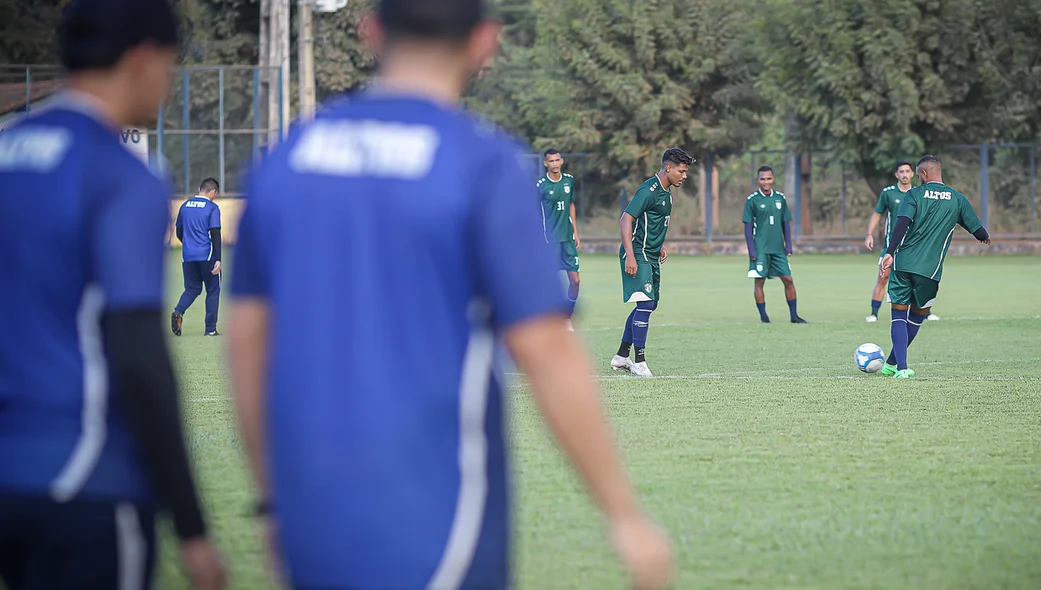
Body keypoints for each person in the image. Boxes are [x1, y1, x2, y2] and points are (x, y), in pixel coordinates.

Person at [226, 2, 673, 589]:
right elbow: (545, 349)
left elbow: (247, 346)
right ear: (486, 43)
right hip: (436, 516)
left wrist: (271, 505)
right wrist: (624, 516)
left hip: (311, 512)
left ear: (370, 31)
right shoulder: (484, 164)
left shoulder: (284, 162)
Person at [0, 0, 226, 588]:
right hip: (84, 480)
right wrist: (192, 525)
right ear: (143, 60)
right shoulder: (121, 174)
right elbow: (138, 356)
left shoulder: (8, 153)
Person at [878, 155, 990, 378]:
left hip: (904, 262)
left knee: (898, 314)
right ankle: (898, 366)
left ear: (924, 174)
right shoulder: (957, 199)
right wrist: (985, 237)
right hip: (930, 269)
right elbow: (978, 231)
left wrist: (890, 252)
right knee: (917, 317)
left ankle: (896, 365)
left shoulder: (914, 194)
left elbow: (902, 224)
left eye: (918, 175)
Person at [611, 148, 694, 378]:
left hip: (651, 253)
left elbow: (653, 224)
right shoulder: (649, 190)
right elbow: (626, 220)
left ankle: (621, 356)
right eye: (681, 170)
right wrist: (630, 255)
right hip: (638, 253)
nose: (684, 175)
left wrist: (660, 245)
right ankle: (639, 362)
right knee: (645, 305)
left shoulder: (667, 193)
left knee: (649, 304)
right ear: (668, 167)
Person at [865, 160, 938, 322]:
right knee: (883, 277)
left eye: (907, 171)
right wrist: (869, 233)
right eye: (901, 172)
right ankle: (873, 314)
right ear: (896, 174)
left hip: (914, 246)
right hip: (892, 245)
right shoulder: (888, 193)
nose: (904, 175)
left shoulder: (920, 192)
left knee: (920, 280)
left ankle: (926, 312)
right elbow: (878, 213)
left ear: (912, 174)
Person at [743, 165, 806, 324]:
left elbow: (786, 223)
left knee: (788, 279)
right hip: (761, 249)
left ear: (773, 179)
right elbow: (748, 227)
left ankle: (794, 316)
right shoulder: (752, 200)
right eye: (762, 179)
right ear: (758, 180)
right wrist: (752, 251)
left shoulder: (780, 198)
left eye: (768, 178)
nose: (766, 182)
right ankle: (764, 317)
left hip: (778, 248)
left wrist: (789, 246)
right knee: (760, 281)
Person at [171, 177, 223, 336]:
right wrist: (218, 259)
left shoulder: (185, 206)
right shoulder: (212, 207)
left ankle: (178, 311)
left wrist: (188, 244)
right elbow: (215, 233)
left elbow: (179, 231)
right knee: (213, 290)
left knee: (192, 288)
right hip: (207, 256)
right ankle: (210, 329)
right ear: (213, 191)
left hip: (187, 257)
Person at [537, 148, 580, 329]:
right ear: (546, 163)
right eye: (551, 161)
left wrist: (575, 232)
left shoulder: (569, 181)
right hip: (549, 241)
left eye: (557, 160)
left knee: (576, 282)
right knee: (548, 283)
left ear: (562, 161)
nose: (554, 164)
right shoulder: (541, 185)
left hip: (568, 239)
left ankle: (566, 317)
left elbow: (571, 205)